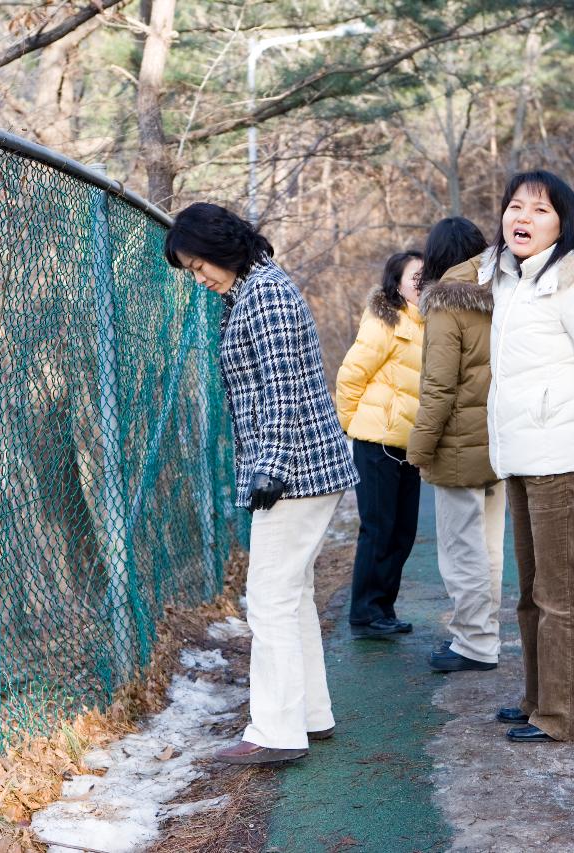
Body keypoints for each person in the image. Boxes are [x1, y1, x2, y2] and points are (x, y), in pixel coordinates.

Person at [164, 202, 358, 766]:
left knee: (270, 600)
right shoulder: (250, 292)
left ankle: (276, 730)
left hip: (294, 470)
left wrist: (269, 469)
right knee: (290, 596)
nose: (199, 277)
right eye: (191, 270)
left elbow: (283, 390)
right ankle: (308, 715)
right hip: (296, 467)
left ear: (224, 248)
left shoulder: (266, 294)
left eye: (201, 264)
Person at [469, 170, 574, 743]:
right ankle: (540, 698)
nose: (521, 218)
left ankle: (566, 717)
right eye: (514, 207)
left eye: (539, 210)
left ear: (564, 224)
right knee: (532, 592)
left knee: (561, 593)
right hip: (523, 455)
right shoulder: (511, 282)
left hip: (565, 459)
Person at [407, 219, 507, 674]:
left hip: (458, 446)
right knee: (489, 545)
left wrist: (418, 448)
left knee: (461, 548)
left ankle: (474, 642)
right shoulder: (504, 292)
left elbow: (439, 386)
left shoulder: (447, 303)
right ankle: (485, 635)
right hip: (502, 441)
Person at [335, 251, 425, 639]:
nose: (423, 284)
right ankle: (365, 613)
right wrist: (353, 425)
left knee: (403, 531)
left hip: (409, 446)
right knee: (378, 528)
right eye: (415, 277)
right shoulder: (384, 321)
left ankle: (383, 607)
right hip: (377, 443)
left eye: (428, 276)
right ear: (397, 284)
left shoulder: (427, 323)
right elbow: (351, 374)